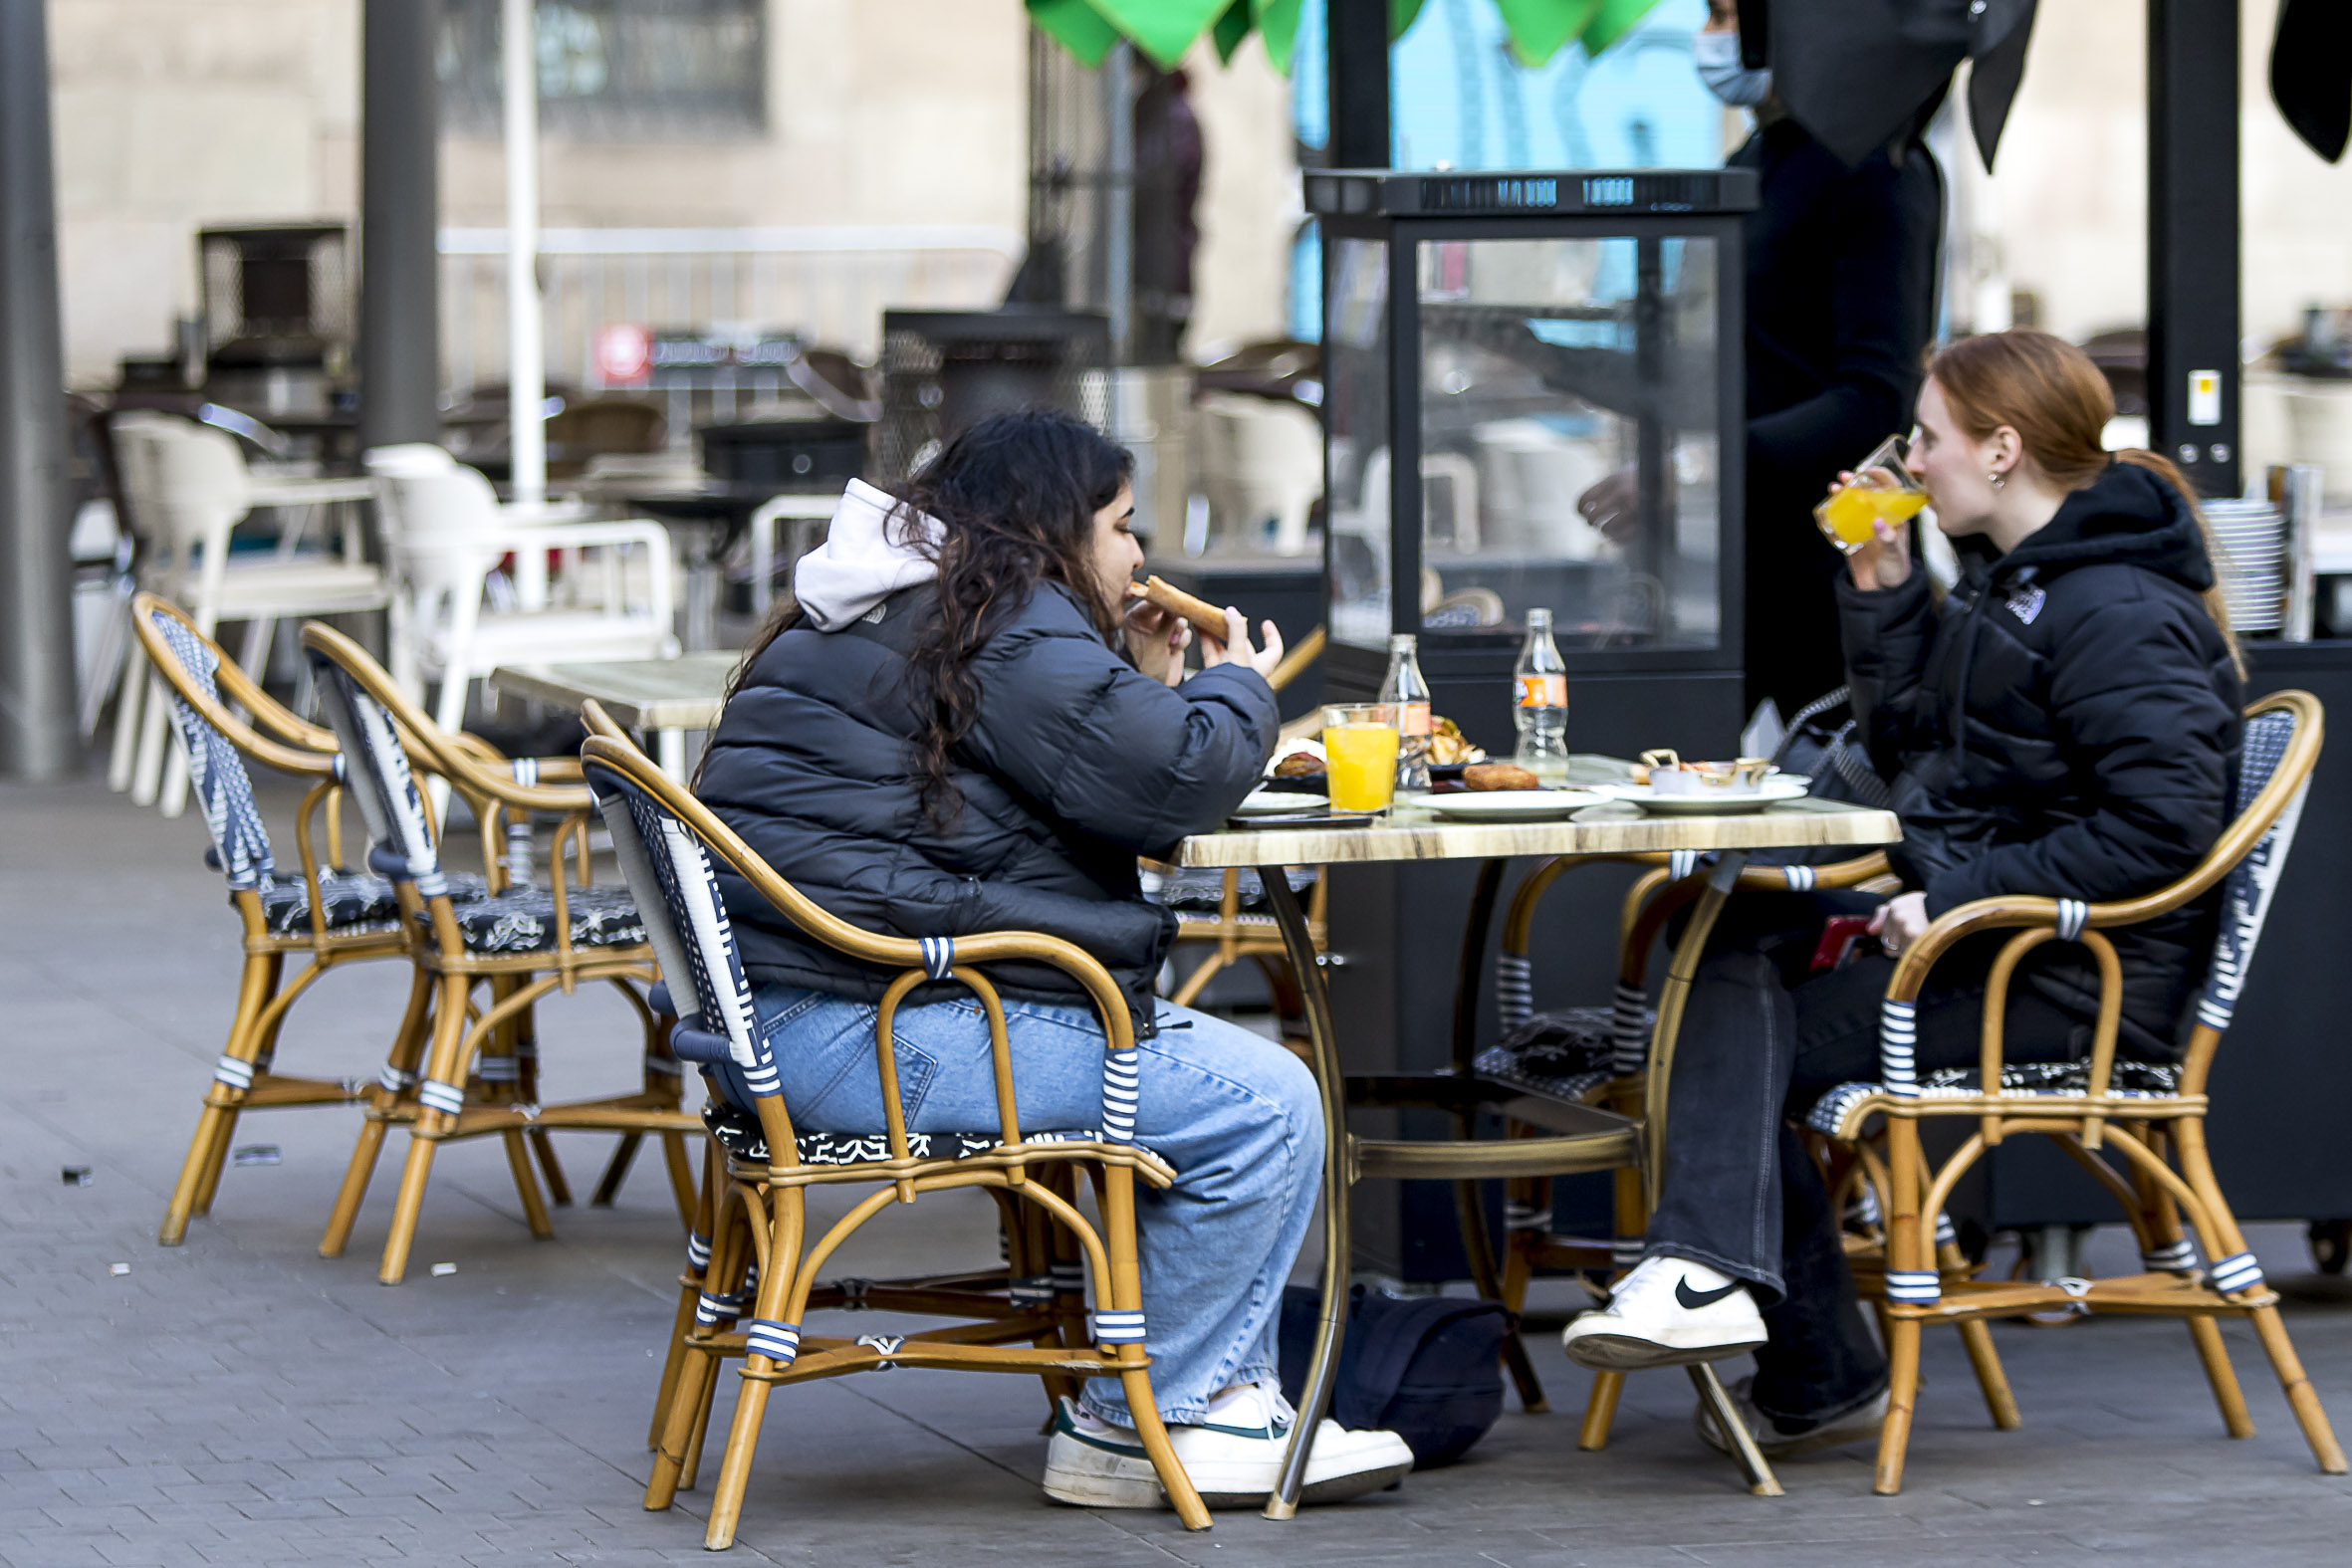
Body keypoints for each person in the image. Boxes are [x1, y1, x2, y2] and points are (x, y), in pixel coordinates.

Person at [692, 408, 1414, 1509]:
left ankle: (1193, 1399)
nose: (1138, 557)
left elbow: (1073, 790)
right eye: (1123, 527)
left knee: (1217, 1085)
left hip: (782, 1023)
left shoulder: (892, 598)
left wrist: (1141, 684)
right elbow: (1171, 782)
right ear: (1053, 527)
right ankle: (1155, 1423)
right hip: (872, 1032)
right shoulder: (1005, 622)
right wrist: (1238, 690)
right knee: (1265, 1103)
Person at [1559, 330, 2244, 1456]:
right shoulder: (2018, 584)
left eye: (1926, 439)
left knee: (1722, 1014)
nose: (1909, 462)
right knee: (1716, 940)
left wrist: (1955, 896)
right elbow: (1919, 746)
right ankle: (1755, 1315)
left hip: (2065, 980)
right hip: (1985, 943)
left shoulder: (2114, 608)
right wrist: (1880, 583)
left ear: (2003, 449)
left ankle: (1754, 1314)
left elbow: (2160, 831)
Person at [1579, 0, 1943, 720]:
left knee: (1840, 813)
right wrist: (1535, 353)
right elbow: (1694, 371)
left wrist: (1687, 472)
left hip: (1835, 568)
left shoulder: (1878, 167)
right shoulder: (1753, 162)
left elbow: (1875, 399)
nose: (1709, 39)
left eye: (1725, 16)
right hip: (1724, 571)